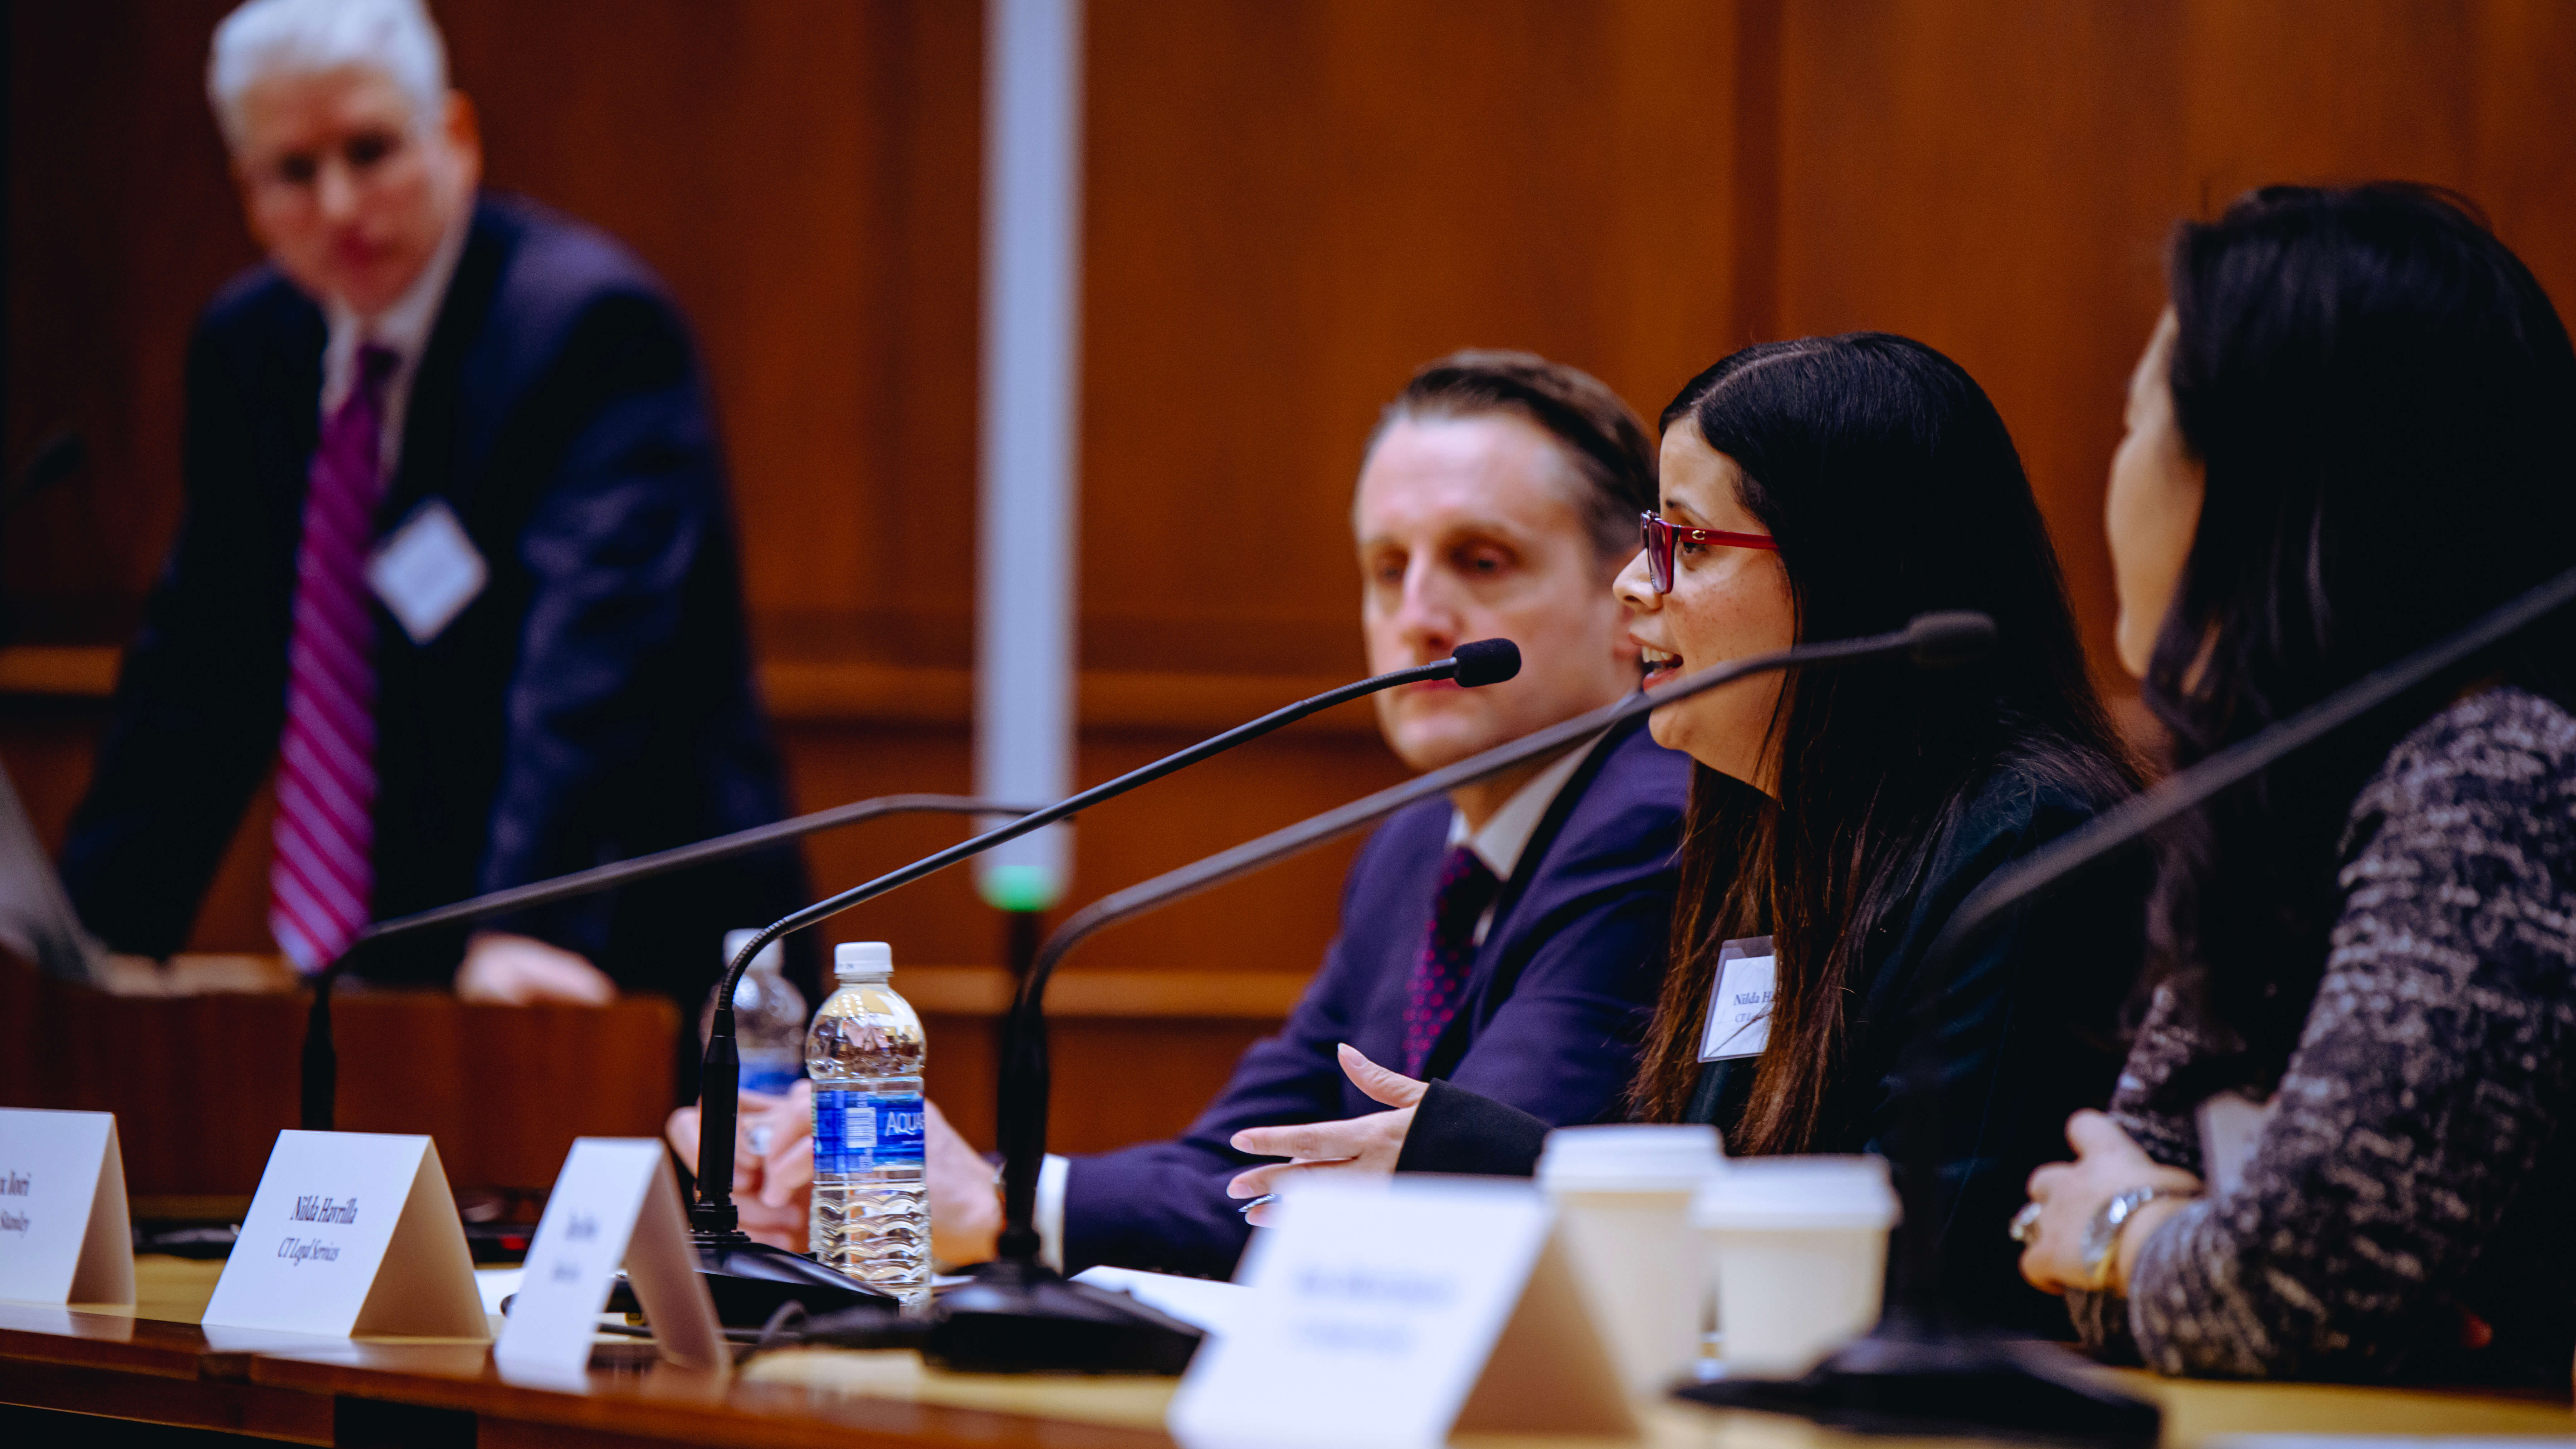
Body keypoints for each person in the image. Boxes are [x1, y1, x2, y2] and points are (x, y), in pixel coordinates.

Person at [670, 350, 1693, 1277]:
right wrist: (961, 1192)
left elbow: (1440, 1189)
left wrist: (1001, 1204)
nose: (1416, 615)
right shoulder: (1415, 847)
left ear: (1626, 605)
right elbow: (1241, 1159)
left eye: (1481, 561)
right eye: (1388, 569)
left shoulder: (1649, 821)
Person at [1229, 334, 2146, 1332]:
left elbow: (1922, 1271)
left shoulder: (2028, 842)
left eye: (1690, 544)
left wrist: (1490, 1153)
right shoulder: (1765, 831)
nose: (1635, 583)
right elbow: (1722, 1195)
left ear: (1850, 573)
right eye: (1647, 534)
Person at [60, 0, 804, 1019]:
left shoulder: (587, 330)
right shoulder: (251, 348)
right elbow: (201, 671)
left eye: (370, 151)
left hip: (628, 953)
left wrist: (525, 918)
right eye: (294, 171)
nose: (337, 203)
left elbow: (592, 660)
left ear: (454, 137)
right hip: (406, 959)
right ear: (247, 191)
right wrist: (85, 944)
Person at [2016, 184, 2576, 1384]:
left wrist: (2142, 1237)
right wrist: (2171, 1254)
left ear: (2259, 478)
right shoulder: (2280, 791)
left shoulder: (2497, 776)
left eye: (2135, 424)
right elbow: (2089, 1263)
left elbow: (2286, 1289)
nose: (2113, 475)